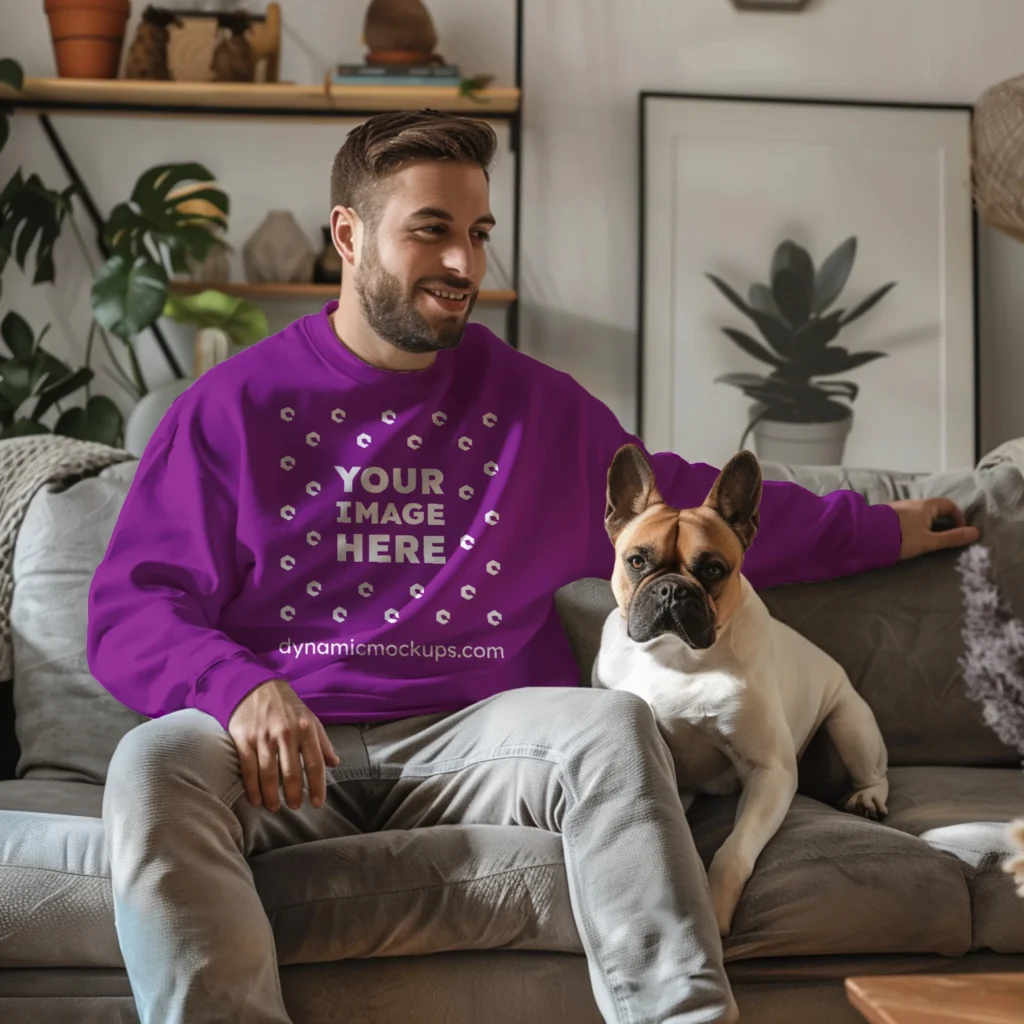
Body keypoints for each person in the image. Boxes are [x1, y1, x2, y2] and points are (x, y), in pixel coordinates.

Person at [88, 109, 979, 1024]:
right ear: (348, 236)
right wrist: (237, 689)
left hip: (483, 737)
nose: (465, 266)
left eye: (478, 235)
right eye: (431, 230)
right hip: (286, 749)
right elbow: (129, 609)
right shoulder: (232, 407)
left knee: (611, 728)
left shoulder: (534, 409)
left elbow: (689, 507)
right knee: (150, 765)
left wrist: (884, 527)